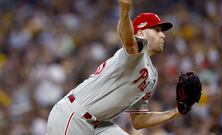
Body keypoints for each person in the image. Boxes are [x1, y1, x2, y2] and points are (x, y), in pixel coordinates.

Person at [46, 0, 182, 135]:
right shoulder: (136, 51)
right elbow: (128, 41)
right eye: (156, 30)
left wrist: (176, 112)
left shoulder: (152, 76)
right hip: (73, 116)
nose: (163, 34)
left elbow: (139, 120)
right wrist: (125, 12)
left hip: (100, 125)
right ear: (141, 33)